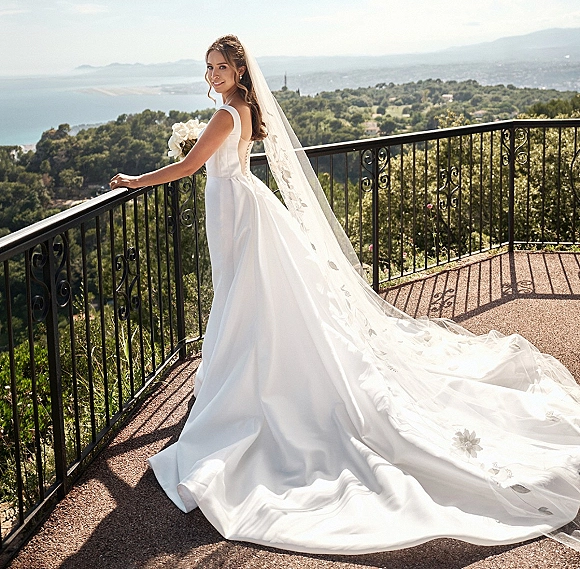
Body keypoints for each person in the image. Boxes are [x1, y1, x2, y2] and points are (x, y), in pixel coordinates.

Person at [109, 35, 580, 556]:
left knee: (244, 299)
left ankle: (254, 387)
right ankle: (256, 378)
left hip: (235, 212)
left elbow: (188, 168)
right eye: (208, 67)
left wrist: (137, 180)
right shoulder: (239, 107)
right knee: (251, 299)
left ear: (241, 70)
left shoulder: (225, 114)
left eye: (221, 67)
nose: (213, 74)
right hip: (238, 205)